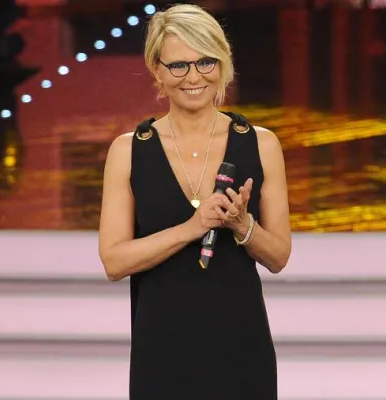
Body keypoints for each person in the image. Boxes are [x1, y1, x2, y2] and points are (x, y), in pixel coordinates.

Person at [97, 4, 291, 399]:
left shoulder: (261, 144)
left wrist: (243, 226)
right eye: (178, 65)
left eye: (205, 61)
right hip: (161, 348)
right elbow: (114, 262)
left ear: (223, 63)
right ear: (157, 70)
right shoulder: (129, 151)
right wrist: (191, 228)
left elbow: (278, 257)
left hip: (242, 347)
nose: (193, 77)